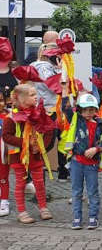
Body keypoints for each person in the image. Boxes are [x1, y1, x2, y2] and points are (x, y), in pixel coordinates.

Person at [2, 83, 54, 223]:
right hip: (18, 157)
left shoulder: (39, 114)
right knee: (20, 184)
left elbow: (49, 130)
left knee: (39, 183)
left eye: (35, 94)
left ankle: (43, 207)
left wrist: (42, 147)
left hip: (35, 155)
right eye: (32, 95)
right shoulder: (11, 118)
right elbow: (6, 136)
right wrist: (25, 142)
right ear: (21, 99)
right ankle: (21, 211)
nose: (36, 97)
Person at [63, 92, 102, 230]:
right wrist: (66, 89)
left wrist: (96, 149)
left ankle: (93, 217)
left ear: (96, 110)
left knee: (92, 192)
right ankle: (77, 218)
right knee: (76, 192)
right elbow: (65, 108)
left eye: (92, 110)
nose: (89, 113)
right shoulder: (76, 120)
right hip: (77, 162)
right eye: (85, 110)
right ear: (80, 110)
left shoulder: (100, 124)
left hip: (92, 164)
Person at [0, 89, 11, 216]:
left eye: (1, 100)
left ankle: (4, 201)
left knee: (3, 177)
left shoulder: (9, 116)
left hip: (4, 152)